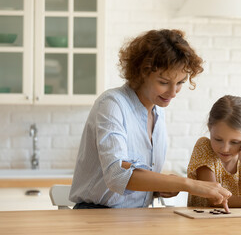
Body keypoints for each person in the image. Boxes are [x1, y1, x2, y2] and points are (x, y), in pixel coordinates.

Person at [69, 29, 232, 210]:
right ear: (141, 73)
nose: (173, 93)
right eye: (163, 82)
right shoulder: (112, 104)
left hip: (137, 217)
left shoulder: (157, 110)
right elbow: (117, 175)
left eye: (180, 83)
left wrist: (161, 187)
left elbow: (136, 178)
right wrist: (186, 184)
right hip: (96, 216)